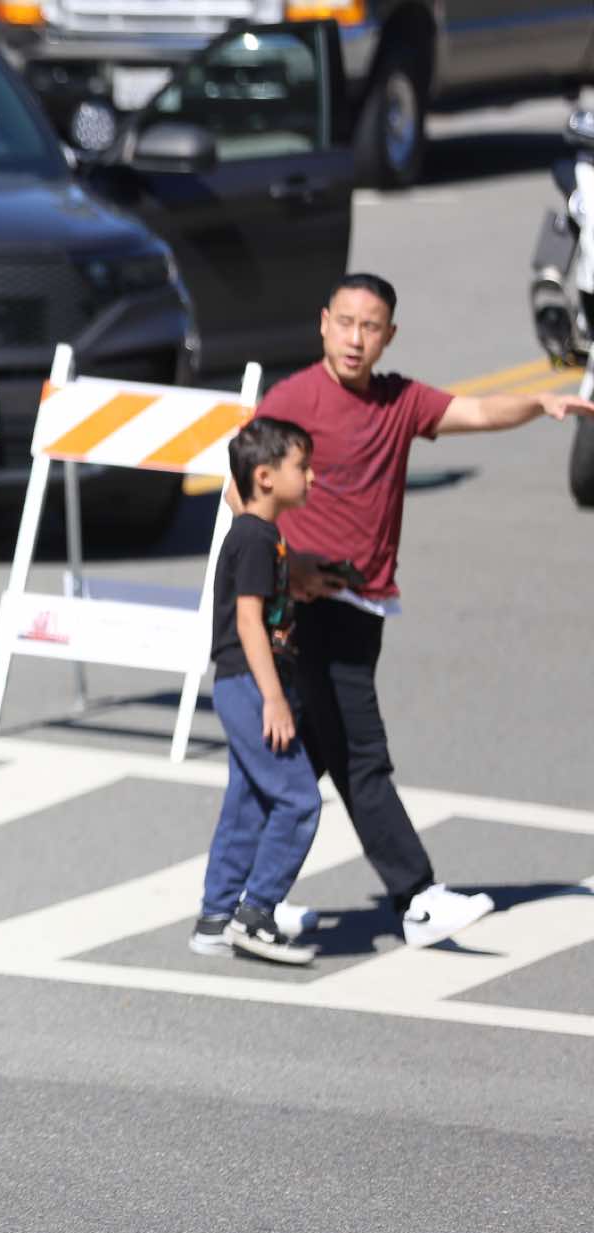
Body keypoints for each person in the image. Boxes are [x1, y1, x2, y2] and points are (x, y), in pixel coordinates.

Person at [249, 274, 594, 947]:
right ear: (323, 324)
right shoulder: (292, 400)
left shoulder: (399, 401)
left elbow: (478, 412)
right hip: (314, 606)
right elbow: (243, 491)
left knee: (308, 755)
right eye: (345, 322)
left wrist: (540, 404)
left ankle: (245, 894)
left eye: (370, 326)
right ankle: (417, 896)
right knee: (360, 754)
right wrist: (290, 567)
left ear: (389, 336)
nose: (355, 338)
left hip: (365, 604)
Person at [190, 419, 321, 965]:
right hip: (250, 683)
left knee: (247, 804)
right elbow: (248, 621)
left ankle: (216, 919)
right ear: (265, 477)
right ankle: (257, 912)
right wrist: (274, 698)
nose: (311, 477)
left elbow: (232, 491)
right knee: (299, 800)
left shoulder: (255, 531)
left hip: (242, 683)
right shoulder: (255, 539)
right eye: (302, 467)